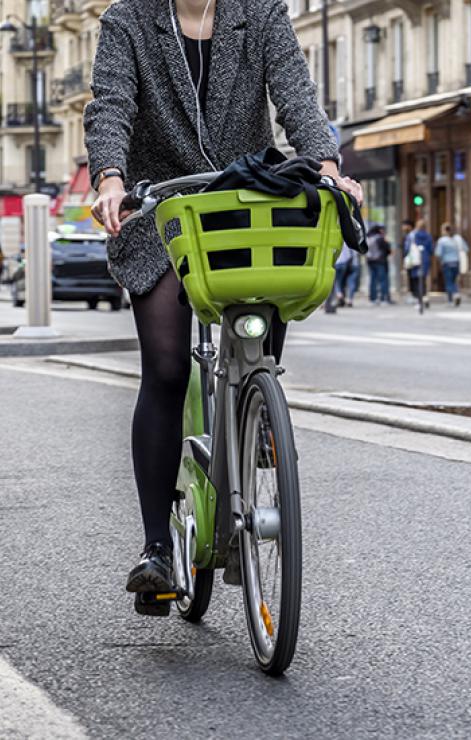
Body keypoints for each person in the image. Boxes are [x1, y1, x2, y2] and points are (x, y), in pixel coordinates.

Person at [85, 0, 364, 610]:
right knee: (164, 368)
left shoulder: (259, 14)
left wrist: (326, 166)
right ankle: (158, 548)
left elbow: (296, 95)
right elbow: (111, 106)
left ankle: (254, 411)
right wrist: (110, 177)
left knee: (266, 317)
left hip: (244, 208)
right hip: (161, 208)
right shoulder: (127, 21)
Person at [435, 222, 469, 306]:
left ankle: (454, 295)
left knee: (449, 281)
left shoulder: (442, 241)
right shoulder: (458, 238)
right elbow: (466, 248)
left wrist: (440, 260)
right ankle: (452, 297)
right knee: (453, 280)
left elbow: (438, 253)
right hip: (456, 262)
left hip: (447, 263)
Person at [409, 218, 434, 310]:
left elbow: (408, 247)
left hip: (415, 259)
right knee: (423, 279)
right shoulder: (428, 236)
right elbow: (431, 249)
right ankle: (424, 297)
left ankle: (420, 299)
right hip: (425, 259)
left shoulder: (413, 236)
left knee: (416, 280)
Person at [366, 223, 392, 304]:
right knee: (383, 280)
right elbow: (387, 250)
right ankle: (384, 298)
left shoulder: (369, 238)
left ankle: (373, 298)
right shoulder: (380, 238)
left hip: (370, 261)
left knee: (373, 280)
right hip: (380, 261)